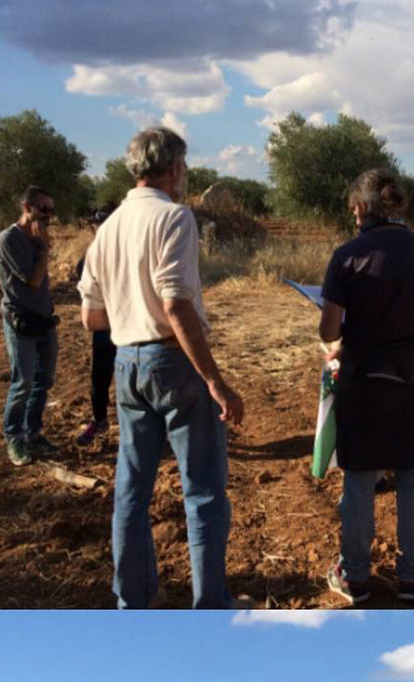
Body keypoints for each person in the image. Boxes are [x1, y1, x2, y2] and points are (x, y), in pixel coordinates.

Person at [77, 126, 245, 609]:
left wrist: (130, 309)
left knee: (131, 490)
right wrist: (215, 382)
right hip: (171, 362)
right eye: (184, 168)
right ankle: (210, 604)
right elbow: (175, 304)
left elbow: (92, 317)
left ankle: (133, 599)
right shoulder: (175, 218)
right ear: (172, 168)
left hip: (125, 362)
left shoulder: (106, 229)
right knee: (204, 491)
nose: (185, 176)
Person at [319, 168, 414, 605]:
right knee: (413, 474)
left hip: (361, 374)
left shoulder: (346, 255)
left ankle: (355, 576)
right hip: (413, 375)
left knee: (359, 474)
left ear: (360, 207)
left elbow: (328, 330)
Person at [0, 185, 60, 467]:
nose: (48, 216)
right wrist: (44, 248)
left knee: (43, 382)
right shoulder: (9, 239)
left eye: (51, 210)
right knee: (22, 383)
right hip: (20, 321)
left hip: (44, 320)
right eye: (43, 209)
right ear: (27, 207)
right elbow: (33, 280)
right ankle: (14, 438)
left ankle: (33, 433)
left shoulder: (36, 237)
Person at [74, 205, 119, 447]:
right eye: (97, 224)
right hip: (105, 327)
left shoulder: (131, 253)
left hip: (130, 328)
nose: (100, 228)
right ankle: (99, 419)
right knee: (99, 379)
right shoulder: (88, 259)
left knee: (130, 381)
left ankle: (146, 427)